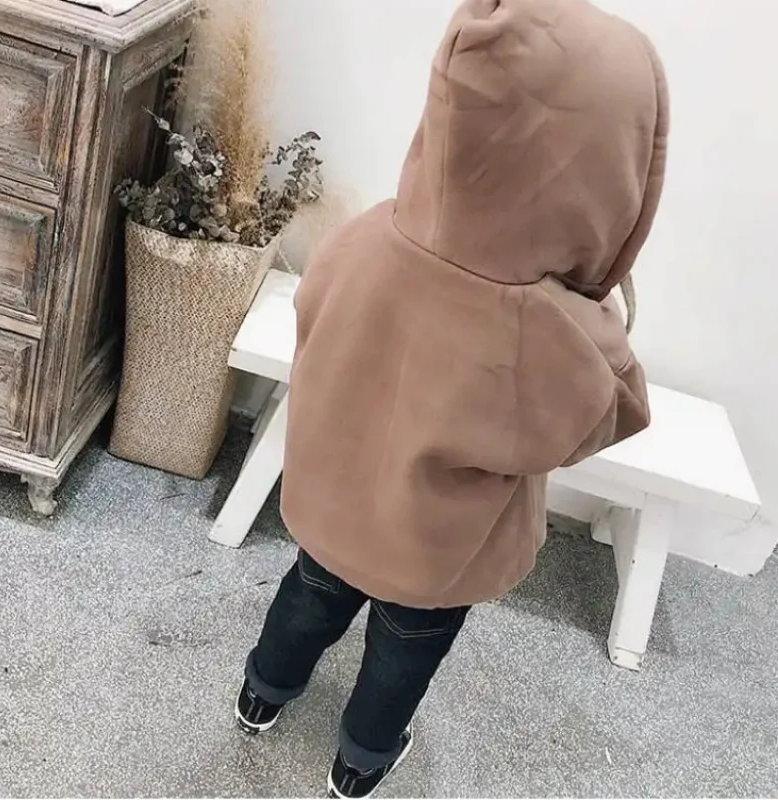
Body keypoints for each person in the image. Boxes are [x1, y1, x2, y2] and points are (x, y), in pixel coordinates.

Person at [236, 0, 669, 796]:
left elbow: (313, 322)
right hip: (443, 547)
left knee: (309, 597)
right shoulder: (559, 331)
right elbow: (603, 419)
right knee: (406, 649)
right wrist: (599, 311)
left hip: (336, 502)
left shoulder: (369, 235)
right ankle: (361, 759)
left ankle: (263, 691)